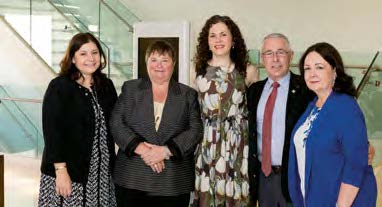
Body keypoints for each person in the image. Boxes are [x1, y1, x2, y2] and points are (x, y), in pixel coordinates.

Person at [110, 40, 203, 207]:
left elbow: (195, 130)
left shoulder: (187, 94)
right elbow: (116, 123)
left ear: (173, 64)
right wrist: (144, 150)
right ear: (147, 63)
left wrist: (165, 151)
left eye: (164, 60)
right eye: (154, 60)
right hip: (133, 179)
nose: (159, 65)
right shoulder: (131, 88)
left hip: (173, 182)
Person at [288, 42, 377, 206]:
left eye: (319, 67)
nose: (312, 73)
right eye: (307, 68)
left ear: (334, 72)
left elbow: (355, 165)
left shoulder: (346, 107)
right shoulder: (312, 106)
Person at [38, 32, 118, 206]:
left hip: (102, 176)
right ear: (73, 58)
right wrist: (61, 171)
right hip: (68, 174)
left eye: (95, 52)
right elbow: (52, 132)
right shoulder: (60, 87)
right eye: (83, 53)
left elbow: (118, 123)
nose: (90, 58)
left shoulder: (106, 86)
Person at [191, 15, 259, 207]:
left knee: (236, 194)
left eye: (223, 34)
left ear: (233, 39)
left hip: (237, 144)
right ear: (207, 41)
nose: (218, 40)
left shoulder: (248, 71)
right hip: (206, 143)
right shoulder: (196, 71)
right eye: (213, 36)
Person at [247, 33, 313, 207]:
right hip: (262, 178)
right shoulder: (254, 92)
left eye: (280, 52)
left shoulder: (306, 90)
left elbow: (328, 120)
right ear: (262, 59)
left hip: (293, 177)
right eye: (269, 53)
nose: (275, 59)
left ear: (291, 56)